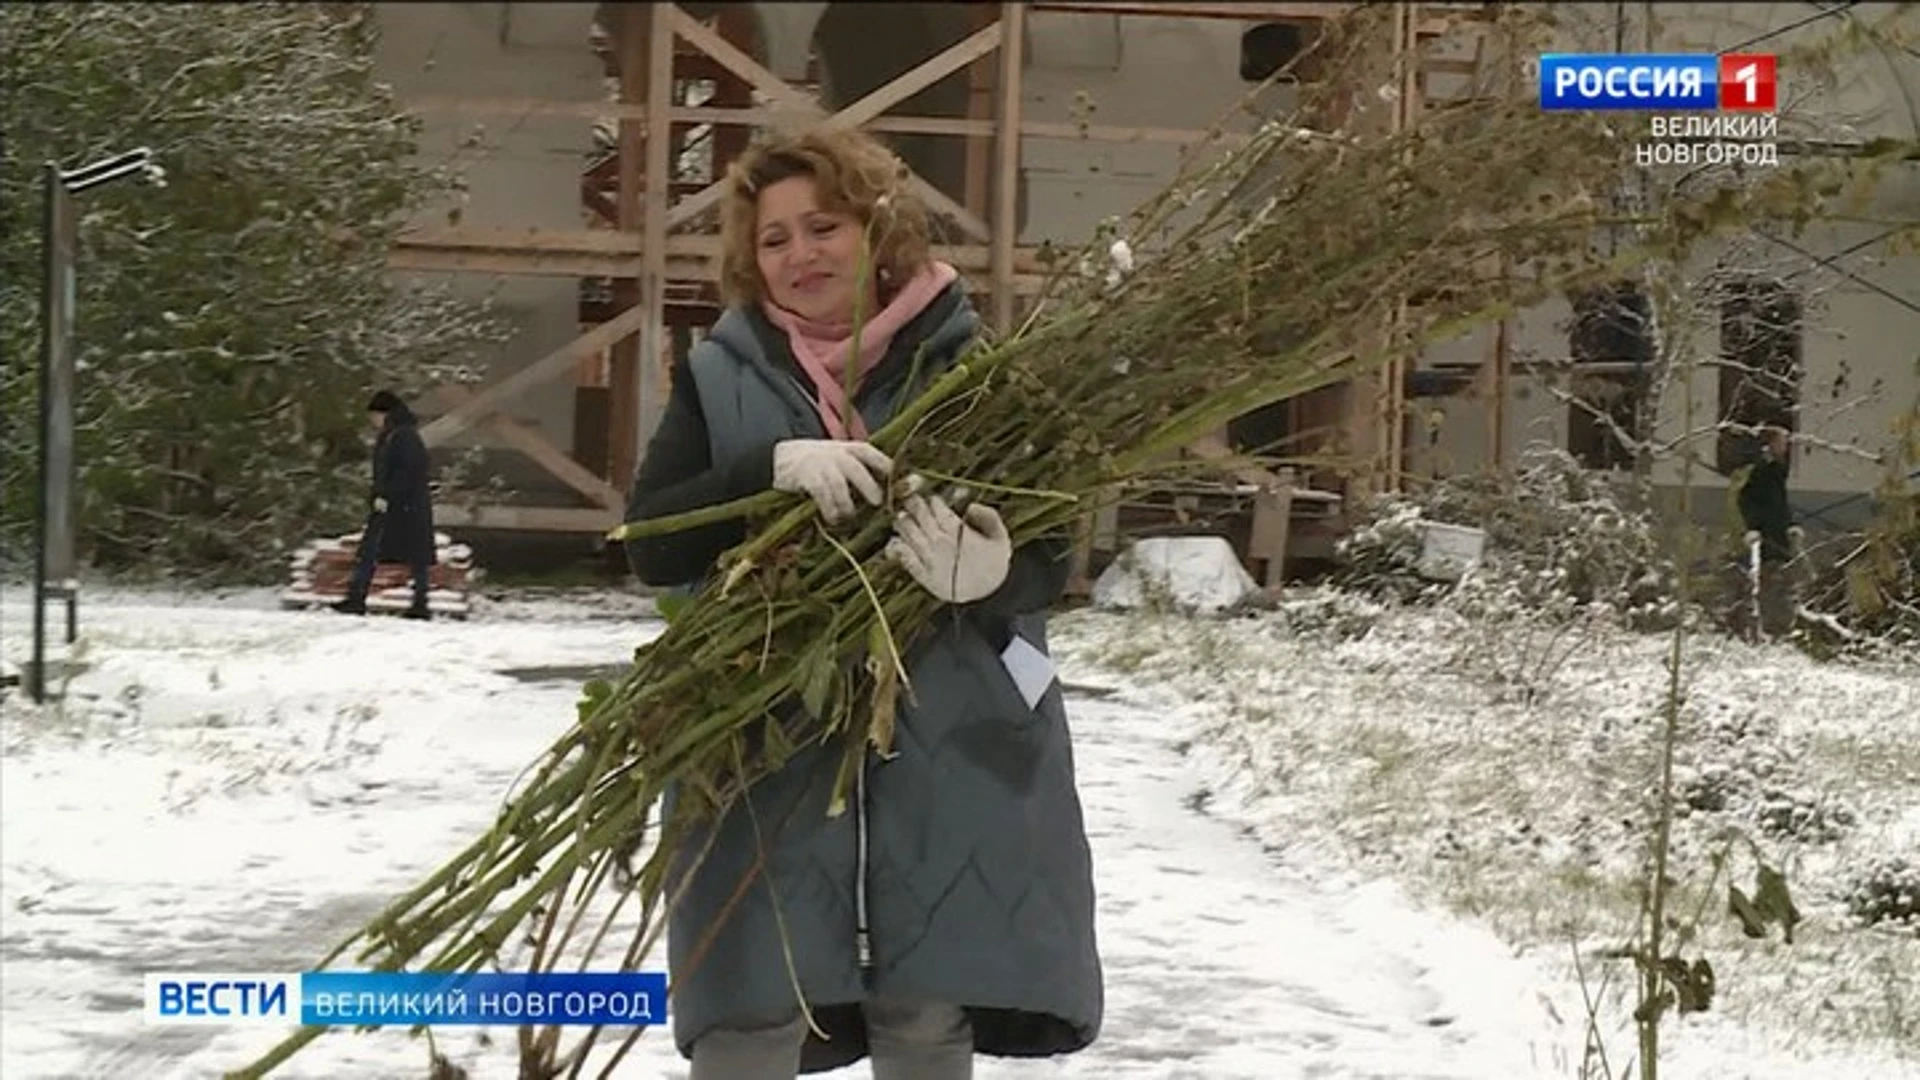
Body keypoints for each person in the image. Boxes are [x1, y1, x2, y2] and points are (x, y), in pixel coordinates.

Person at [621, 127, 1103, 1080]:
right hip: (763, 737)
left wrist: (989, 575)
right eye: (773, 239)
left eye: (823, 226)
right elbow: (651, 540)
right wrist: (767, 472)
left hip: (952, 739)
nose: (800, 254)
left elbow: (1055, 546)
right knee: (749, 1014)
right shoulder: (719, 376)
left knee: (925, 1013)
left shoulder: (974, 369)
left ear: (878, 232)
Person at [333, 390, 436, 620]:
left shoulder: (403, 436)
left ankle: (417, 602)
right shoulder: (394, 435)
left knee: (400, 553)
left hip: (403, 505)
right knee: (380, 551)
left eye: (374, 416)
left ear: (385, 414)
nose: (373, 422)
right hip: (397, 504)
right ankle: (358, 596)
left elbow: (410, 469)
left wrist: (387, 494)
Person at [1734, 424, 1795, 636]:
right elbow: (1745, 499)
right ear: (1771, 445)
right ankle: (1763, 628)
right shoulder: (1760, 469)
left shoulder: (1778, 469)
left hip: (1778, 534)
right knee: (1765, 584)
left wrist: (1790, 525)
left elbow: (1780, 503)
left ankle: (1775, 627)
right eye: (1782, 442)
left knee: (1778, 582)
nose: (1786, 446)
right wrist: (1753, 527)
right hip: (1766, 537)